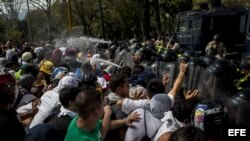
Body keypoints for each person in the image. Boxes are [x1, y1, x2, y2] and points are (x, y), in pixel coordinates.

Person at [0, 71, 26, 141]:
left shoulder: (7, 110)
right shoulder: (8, 124)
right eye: (13, 89)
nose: (14, 91)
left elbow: (15, 115)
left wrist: (31, 113)